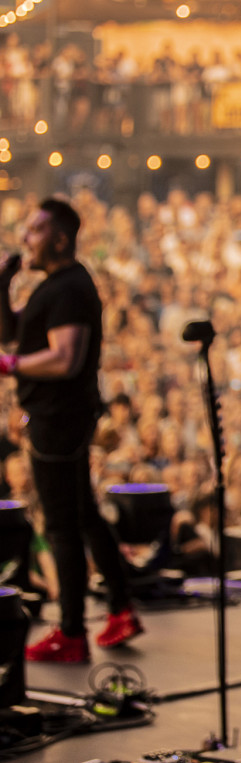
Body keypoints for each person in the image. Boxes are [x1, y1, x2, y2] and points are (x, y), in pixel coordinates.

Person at [0, 197, 143, 663]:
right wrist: (3, 287)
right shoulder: (53, 287)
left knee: (61, 525)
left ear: (60, 237)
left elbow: (65, 358)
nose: (26, 238)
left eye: (35, 230)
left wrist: (10, 365)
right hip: (59, 417)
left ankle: (71, 631)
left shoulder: (68, 288)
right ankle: (121, 608)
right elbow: (12, 333)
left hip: (59, 420)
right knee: (82, 515)